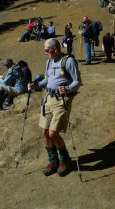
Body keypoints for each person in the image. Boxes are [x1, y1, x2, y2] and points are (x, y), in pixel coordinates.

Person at [28, 38, 81, 177]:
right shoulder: (49, 61)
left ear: (55, 49)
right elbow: (47, 79)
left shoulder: (68, 61)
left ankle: (65, 160)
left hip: (61, 100)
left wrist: (68, 88)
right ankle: (54, 161)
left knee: (53, 133)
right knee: (45, 132)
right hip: (48, 98)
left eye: (47, 50)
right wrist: (37, 85)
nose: (46, 53)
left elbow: (77, 81)